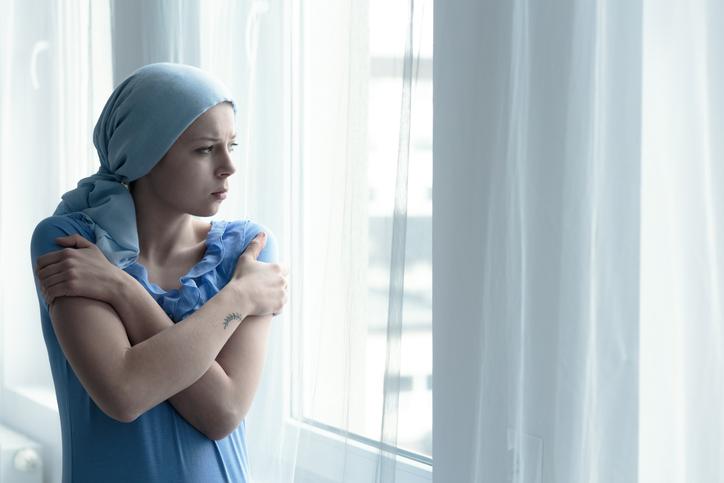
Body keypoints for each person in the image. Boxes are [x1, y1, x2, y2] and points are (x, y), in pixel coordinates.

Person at [28, 62, 288, 483]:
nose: (228, 166)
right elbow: (125, 392)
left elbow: (223, 413)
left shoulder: (248, 250)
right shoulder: (69, 242)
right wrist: (238, 299)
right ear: (144, 152)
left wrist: (120, 289)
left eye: (232, 145)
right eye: (205, 149)